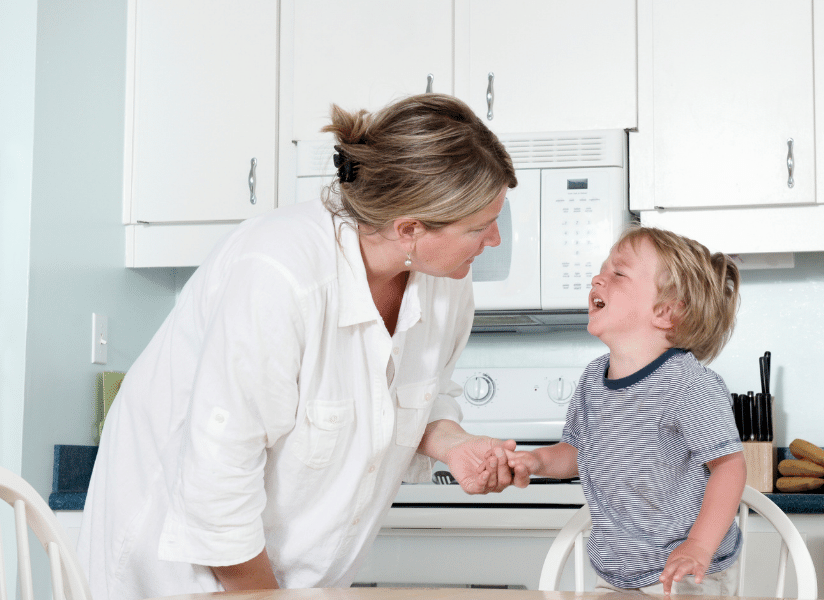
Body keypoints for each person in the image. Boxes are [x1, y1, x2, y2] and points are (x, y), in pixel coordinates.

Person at [78, 94, 521, 599]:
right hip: (178, 569)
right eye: (479, 227)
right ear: (409, 229)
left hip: (295, 579)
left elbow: (417, 394)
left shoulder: (445, 284)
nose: (494, 241)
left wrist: (453, 443)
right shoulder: (279, 274)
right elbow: (218, 474)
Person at [507, 226, 746, 596]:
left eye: (618, 273)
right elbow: (575, 454)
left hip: (681, 572)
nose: (597, 278)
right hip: (616, 568)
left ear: (666, 312)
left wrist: (698, 545)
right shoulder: (592, 379)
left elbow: (729, 467)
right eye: (603, 269)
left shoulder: (688, 384)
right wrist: (535, 461)